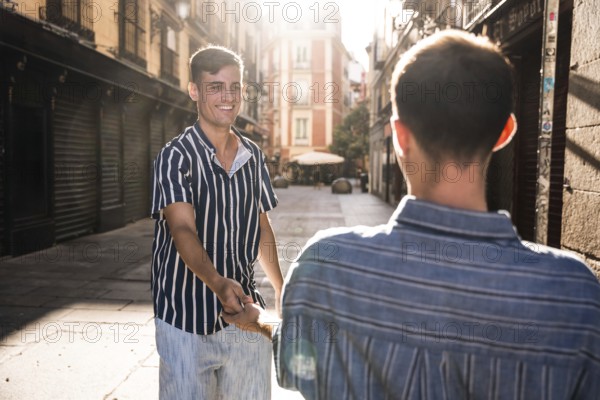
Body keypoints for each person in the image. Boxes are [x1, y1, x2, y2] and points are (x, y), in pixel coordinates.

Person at [224, 30, 600, 399]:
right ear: (506, 133)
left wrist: (259, 320)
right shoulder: (575, 296)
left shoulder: (325, 268)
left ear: (399, 137)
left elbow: (298, 360)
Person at [150, 45, 283, 399]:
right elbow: (181, 229)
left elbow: (261, 225)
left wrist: (282, 290)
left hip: (245, 316)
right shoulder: (175, 156)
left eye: (234, 87)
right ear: (194, 90)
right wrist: (217, 282)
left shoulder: (253, 155)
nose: (228, 97)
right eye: (215, 87)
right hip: (184, 320)